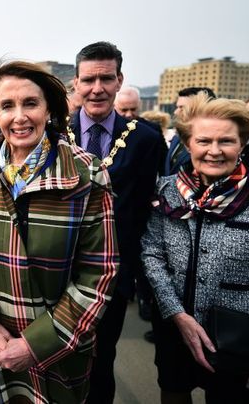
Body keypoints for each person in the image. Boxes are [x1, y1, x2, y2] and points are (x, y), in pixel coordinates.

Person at [0, 60, 118, 403]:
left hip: (60, 351)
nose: (19, 116)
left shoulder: (88, 176)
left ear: (48, 108)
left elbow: (99, 274)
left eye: (30, 103)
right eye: (7, 106)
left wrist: (35, 344)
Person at [142, 92, 249, 404]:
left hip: (241, 341)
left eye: (227, 141)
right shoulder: (165, 191)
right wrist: (176, 313)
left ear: (243, 143)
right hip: (174, 330)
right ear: (187, 143)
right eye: (203, 141)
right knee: (173, 392)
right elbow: (152, 254)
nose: (214, 151)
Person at [69, 41, 164, 403]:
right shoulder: (52, 135)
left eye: (106, 78)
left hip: (113, 275)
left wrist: (135, 277)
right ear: (76, 83)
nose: (97, 89)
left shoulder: (146, 140)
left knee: (101, 362)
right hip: (55, 271)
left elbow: (146, 211)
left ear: (119, 79)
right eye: (89, 79)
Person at [164, 87, 216, 176]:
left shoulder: (214, 144)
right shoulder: (177, 137)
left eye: (182, 108)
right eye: (177, 107)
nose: (176, 112)